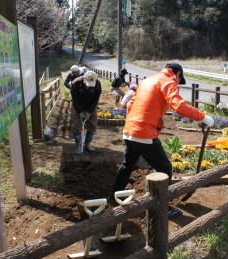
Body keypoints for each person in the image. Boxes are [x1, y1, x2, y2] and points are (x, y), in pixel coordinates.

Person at [111, 63, 219, 218]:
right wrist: (203, 117)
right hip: (144, 133)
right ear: (178, 74)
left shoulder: (148, 81)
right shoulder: (168, 81)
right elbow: (179, 106)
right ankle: (161, 207)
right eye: (179, 79)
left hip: (129, 131)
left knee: (127, 164)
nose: (178, 83)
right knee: (165, 169)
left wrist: (134, 124)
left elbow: (130, 104)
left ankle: (113, 196)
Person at [69, 70, 102, 153]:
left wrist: (89, 111)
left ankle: (87, 144)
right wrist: (80, 112)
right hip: (77, 105)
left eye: (91, 85)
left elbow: (95, 100)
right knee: (76, 125)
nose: (89, 87)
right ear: (84, 78)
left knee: (93, 124)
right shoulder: (75, 83)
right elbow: (75, 100)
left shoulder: (97, 84)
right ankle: (79, 145)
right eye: (87, 84)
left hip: (90, 105)